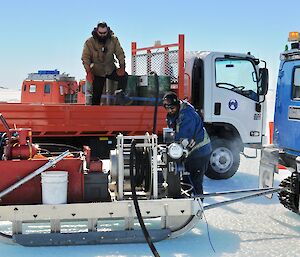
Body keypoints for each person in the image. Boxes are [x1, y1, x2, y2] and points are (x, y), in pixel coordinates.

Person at [162, 91, 212, 196]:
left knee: (194, 181)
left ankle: (197, 205)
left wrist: (174, 149)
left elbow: (184, 138)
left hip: (200, 151)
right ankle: (188, 202)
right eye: (167, 108)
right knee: (185, 180)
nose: (170, 111)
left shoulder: (187, 115)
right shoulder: (174, 114)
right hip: (191, 150)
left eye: (172, 108)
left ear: (177, 105)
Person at [81, 21, 130, 105]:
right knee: (96, 95)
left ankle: (119, 96)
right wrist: (88, 72)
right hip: (97, 71)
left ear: (107, 30)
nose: (102, 35)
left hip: (110, 69)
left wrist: (122, 67)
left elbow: (120, 53)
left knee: (124, 76)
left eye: (104, 33)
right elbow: (85, 58)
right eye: (100, 33)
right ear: (97, 31)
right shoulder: (89, 42)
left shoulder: (113, 40)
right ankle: (95, 113)